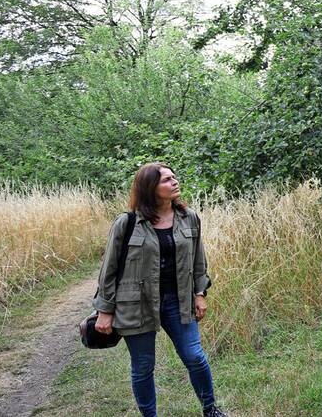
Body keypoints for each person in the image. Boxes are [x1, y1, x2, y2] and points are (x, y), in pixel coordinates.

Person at [93, 162, 227, 417]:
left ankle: (210, 409)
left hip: (179, 301)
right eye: (166, 179)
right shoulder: (128, 222)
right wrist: (105, 310)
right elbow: (108, 269)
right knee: (143, 366)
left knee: (195, 357)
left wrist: (200, 294)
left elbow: (199, 261)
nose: (174, 182)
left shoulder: (189, 218)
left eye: (174, 177)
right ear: (150, 187)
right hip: (137, 303)